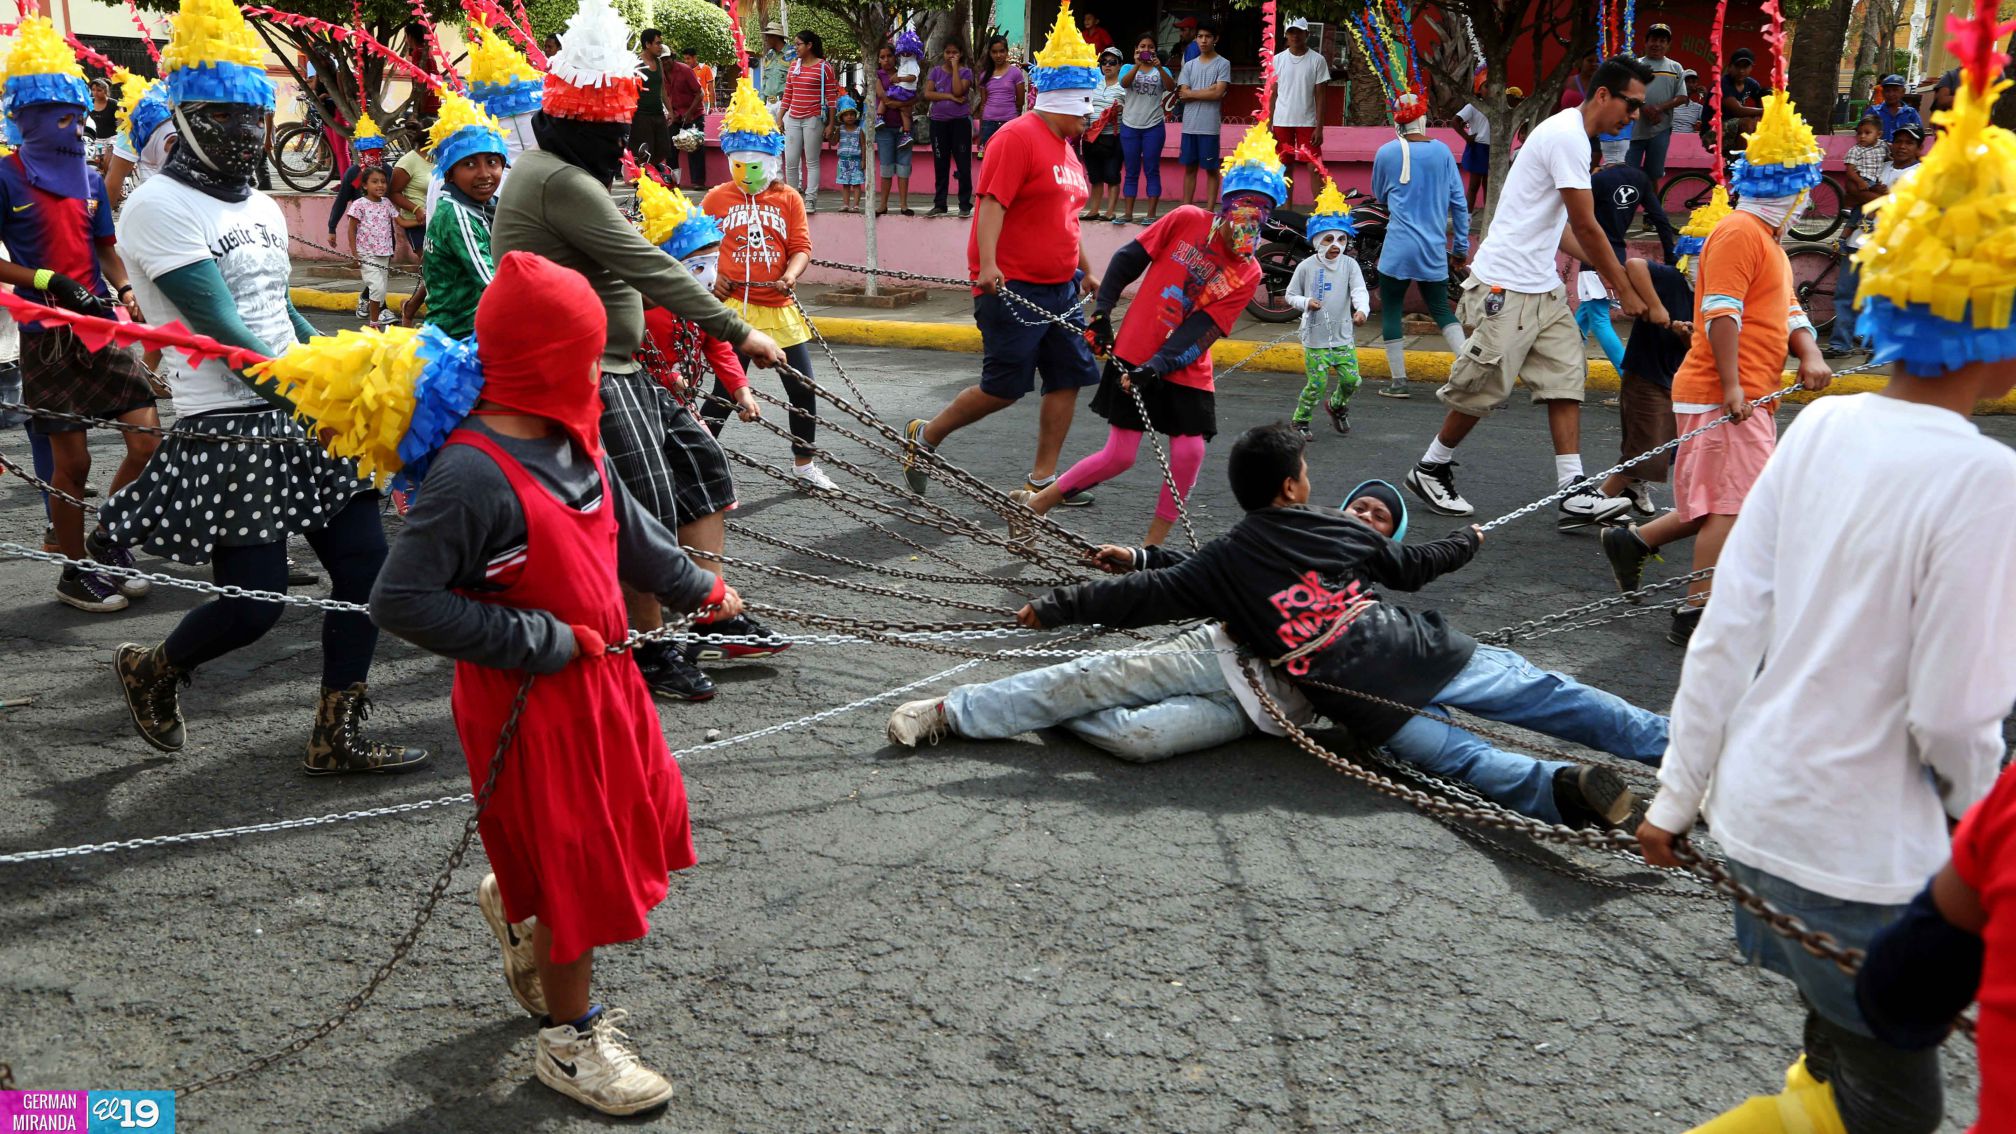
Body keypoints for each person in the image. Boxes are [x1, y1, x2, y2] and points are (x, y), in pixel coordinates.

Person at [1636, 30, 2016, 1129]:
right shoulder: (1986, 482)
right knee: (1897, 1112)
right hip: (1861, 872)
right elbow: (1955, 722)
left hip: (1754, 829)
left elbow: (1727, 628)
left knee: (1830, 1063)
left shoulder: (1823, 428)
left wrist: (1677, 795)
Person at [368, 251, 733, 1116]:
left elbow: (627, 527)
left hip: (603, 686)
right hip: (528, 701)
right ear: (546, 360)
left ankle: (519, 901)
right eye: (587, 356)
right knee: (577, 863)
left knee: (624, 825)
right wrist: (535, 636)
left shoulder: (568, 430)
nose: (598, 375)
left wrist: (700, 587)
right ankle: (571, 1043)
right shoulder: (471, 472)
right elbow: (401, 599)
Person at [1010, 423, 1663, 827]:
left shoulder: (1230, 557)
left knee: (1468, 760)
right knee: (1551, 699)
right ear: (1293, 488)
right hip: (1425, 656)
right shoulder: (1328, 532)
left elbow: (1151, 595)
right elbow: (1411, 568)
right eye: (1306, 473)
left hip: (1366, 705)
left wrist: (1056, 607)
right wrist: (1466, 543)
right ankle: (1663, 748)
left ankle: (1564, 791)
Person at [106, 0, 425, 771]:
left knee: (365, 573)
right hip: (232, 423)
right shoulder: (153, 207)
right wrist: (326, 392)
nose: (248, 133)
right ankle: (155, 669)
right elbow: (226, 334)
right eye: (226, 115)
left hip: (303, 406)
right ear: (183, 116)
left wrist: (352, 369)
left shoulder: (255, 201)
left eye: (257, 116)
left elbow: (279, 312)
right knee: (255, 605)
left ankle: (334, 733)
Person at [492, 0, 790, 704]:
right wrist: (738, 329)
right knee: (645, 511)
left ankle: (704, 609)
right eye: (608, 130)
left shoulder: (561, 167)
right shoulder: (559, 180)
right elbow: (644, 265)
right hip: (587, 371)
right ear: (573, 126)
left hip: (622, 365)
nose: (617, 141)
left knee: (701, 472)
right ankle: (651, 648)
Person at [894, 484, 1415, 761]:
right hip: (1214, 656)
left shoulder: (1376, 615)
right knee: (1097, 681)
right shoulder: (1291, 549)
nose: (1364, 518)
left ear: (1391, 541)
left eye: (1379, 517)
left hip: (1261, 714)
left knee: (1138, 740)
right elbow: (1210, 572)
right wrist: (1141, 558)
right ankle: (950, 711)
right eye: (1359, 507)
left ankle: (1064, 695)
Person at [1598, 91, 1833, 645]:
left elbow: (1788, 310)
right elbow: (1720, 313)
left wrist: (1811, 352)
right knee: (1733, 503)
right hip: (1723, 392)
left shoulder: (1769, 244)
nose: (1804, 199)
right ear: (1782, 186)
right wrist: (1730, 386)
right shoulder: (1738, 233)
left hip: (1748, 392)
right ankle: (1696, 612)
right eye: (1800, 187)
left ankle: (1636, 542)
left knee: (1728, 496)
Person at [1402, 55, 1651, 529]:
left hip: (1541, 286)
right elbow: (1587, 225)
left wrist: (1605, 276)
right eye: (1632, 103)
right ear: (1604, 94)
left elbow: (1561, 231)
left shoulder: (1574, 137)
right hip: (1506, 285)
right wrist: (1624, 288)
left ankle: (1573, 489)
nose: (1635, 115)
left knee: (1565, 377)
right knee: (1482, 389)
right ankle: (1430, 466)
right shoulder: (1567, 138)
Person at [1011, 123, 1280, 545]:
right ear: (1227, 206)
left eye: (1261, 214)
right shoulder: (1186, 219)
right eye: (1244, 210)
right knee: (1120, 456)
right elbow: (1126, 261)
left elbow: (1201, 329)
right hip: (1134, 352)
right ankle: (1035, 506)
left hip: (1183, 362)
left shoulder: (1248, 272)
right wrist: (1101, 315)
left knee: (1190, 453)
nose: (1249, 223)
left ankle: (1150, 550)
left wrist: (1159, 366)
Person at [902, 6, 1101, 503]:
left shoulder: (1068, 149)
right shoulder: (1017, 137)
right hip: (1012, 286)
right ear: (1065, 101)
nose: (1091, 114)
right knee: (1004, 387)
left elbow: (1066, 218)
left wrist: (1087, 269)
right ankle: (926, 435)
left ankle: (1042, 480)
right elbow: (991, 205)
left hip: (1061, 289)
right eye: (1086, 106)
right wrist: (987, 266)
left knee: (1068, 378)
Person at [0, 18, 160, 613]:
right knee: (74, 462)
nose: (71, 126)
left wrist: (123, 288)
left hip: (103, 328)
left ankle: (105, 540)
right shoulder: (5, 176)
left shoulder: (92, 177)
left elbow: (104, 247)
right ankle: (73, 573)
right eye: (58, 116)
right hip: (46, 337)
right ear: (28, 119)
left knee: (146, 439)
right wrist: (49, 282)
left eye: (76, 116)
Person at [700, 84, 833, 490]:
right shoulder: (715, 199)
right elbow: (696, 250)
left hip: (778, 307)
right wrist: (710, 276)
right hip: (732, 312)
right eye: (739, 165)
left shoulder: (788, 198)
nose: (746, 174)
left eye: (754, 165)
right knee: (724, 393)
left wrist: (792, 275)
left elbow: (801, 247)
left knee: (802, 389)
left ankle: (804, 465)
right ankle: (698, 468)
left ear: (771, 162)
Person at [1370, 85, 1469, 400]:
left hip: (1397, 247)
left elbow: (1380, 194)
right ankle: (1473, 375)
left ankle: (1399, 382)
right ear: (1424, 119)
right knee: (1441, 309)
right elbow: (1459, 203)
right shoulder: (1442, 151)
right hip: (1433, 247)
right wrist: (1462, 247)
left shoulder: (1386, 152)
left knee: (1392, 309)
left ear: (1397, 121)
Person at [1589, 257, 1692, 520]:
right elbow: (1634, 264)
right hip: (1646, 373)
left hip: (1677, 378)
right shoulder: (1671, 278)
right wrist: (1655, 305)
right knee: (1646, 449)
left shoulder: (1713, 295)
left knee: (1671, 444)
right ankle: (1596, 502)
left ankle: (1632, 486)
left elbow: (1700, 345)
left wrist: (1686, 335)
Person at [1576, 151, 1678, 374]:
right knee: (1586, 313)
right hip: (1617, 254)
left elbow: (1580, 219)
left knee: (1600, 319)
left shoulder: (1597, 181)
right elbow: (1659, 218)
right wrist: (1671, 256)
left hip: (1594, 253)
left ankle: (1628, 373)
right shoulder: (1639, 178)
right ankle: (1567, 367)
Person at [420, 92, 509, 340]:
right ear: (450, 173)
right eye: (469, 164)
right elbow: (492, 283)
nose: (484, 174)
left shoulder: (490, 204)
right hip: (459, 339)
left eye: (492, 161)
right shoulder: (456, 214)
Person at [1284, 179, 1368, 435]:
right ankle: (1301, 419)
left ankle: (1337, 406)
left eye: (1341, 240)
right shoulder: (1306, 266)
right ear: (1317, 240)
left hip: (1343, 337)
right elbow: (1290, 295)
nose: (1335, 246)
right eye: (1329, 239)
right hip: (1315, 338)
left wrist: (1361, 309)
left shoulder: (1349, 265)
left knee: (1352, 380)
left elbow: (1359, 289)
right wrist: (1306, 303)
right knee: (1317, 384)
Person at [1827, 117, 1910, 358]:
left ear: (1917, 148)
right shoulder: (1877, 165)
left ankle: (1876, 347)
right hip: (1857, 242)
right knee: (1845, 296)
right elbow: (1849, 198)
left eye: (1909, 143)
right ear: (1890, 144)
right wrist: (1876, 196)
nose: (1902, 146)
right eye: (1899, 141)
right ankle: (1840, 345)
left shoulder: (1920, 173)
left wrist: (1870, 196)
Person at [1270, 17, 1331, 207]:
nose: (1295, 36)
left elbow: (1321, 96)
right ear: (1286, 35)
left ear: (1307, 34)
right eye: (1291, 32)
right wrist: (1268, 123)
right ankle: (1286, 213)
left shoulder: (1317, 60)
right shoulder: (1277, 60)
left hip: (1308, 122)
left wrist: (1319, 127)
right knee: (1284, 167)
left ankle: (1319, 212)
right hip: (1281, 121)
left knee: (1314, 168)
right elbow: (1272, 94)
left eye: (1299, 32)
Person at [1115, 31, 1172, 226]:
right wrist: (1138, 64)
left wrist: (1160, 68)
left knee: (1152, 170)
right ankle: (1128, 213)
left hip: (1153, 127)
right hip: (1130, 126)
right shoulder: (1127, 68)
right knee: (1131, 171)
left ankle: (1151, 214)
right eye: (1142, 47)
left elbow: (1171, 87)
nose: (1146, 50)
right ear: (1136, 50)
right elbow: (1124, 83)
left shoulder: (1162, 70)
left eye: (1150, 47)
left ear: (1156, 51)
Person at [778, 29, 835, 211]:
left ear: (809, 45)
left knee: (812, 161)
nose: (795, 48)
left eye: (798, 44)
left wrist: (831, 124)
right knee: (791, 161)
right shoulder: (795, 65)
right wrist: (780, 117)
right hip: (793, 118)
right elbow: (788, 94)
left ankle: (810, 199)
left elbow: (832, 97)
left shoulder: (824, 67)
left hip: (813, 119)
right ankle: (793, 199)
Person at [1174, 23, 1229, 208]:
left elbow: (1218, 94)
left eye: (1207, 36)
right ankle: (1186, 207)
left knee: (1211, 169)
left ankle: (1210, 209)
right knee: (1190, 168)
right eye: (1200, 36)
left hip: (1209, 127)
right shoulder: (1189, 66)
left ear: (1216, 39)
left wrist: (1193, 93)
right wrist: (1209, 90)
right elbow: (1183, 95)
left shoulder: (1223, 63)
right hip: (1189, 125)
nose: (1203, 40)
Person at [1628, 23, 1688, 177]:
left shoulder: (1675, 68)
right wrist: (1644, 106)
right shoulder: (1634, 65)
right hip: (1633, 129)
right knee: (1628, 173)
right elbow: (1625, 93)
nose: (1657, 44)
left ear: (1668, 45)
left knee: (1654, 174)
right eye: (1654, 39)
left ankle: (1654, 202)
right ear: (1646, 41)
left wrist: (1659, 108)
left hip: (1661, 129)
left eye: (1662, 41)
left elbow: (1682, 97)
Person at [106, 75, 173, 211]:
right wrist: (101, 229)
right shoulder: (143, 111)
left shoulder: (215, 104)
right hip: (157, 213)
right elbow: (115, 178)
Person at [923, 39, 974, 218]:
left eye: (955, 53)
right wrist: (950, 97)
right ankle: (940, 204)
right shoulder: (935, 72)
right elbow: (928, 93)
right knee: (940, 163)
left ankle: (965, 204)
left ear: (960, 55)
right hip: (938, 123)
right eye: (948, 52)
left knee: (963, 164)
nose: (951, 56)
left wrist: (954, 69)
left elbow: (959, 90)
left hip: (960, 122)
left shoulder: (966, 72)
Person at [344, 167, 400, 327]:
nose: (380, 185)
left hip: (385, 253)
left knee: (380, 291)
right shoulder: (359, 204)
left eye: (383, 182)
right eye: (375, 182)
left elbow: (400, 221)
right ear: (364, 185)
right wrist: (354, 254)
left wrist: (422, 218)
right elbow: (351, 229)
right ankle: (374, 323)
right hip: (367, 253)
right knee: (377, 289)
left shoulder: (387, 203)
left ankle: (371, 311)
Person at [1081, 47, 1125, 221]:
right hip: (1091, 136)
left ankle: (1110, 211)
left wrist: (1121, 109)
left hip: (1113, 136)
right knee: (1095, 175)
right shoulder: (1094, 85)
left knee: (1112, 174)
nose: (1107, 65)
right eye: (1104, 62)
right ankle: (1094, 209)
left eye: (1112, 62)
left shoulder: (1124, 88)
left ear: (1120, 65)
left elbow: (1130, 110)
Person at [872, 42, 915, 215]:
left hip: (903, 129)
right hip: (884, 129)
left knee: (904, 167)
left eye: (889, 56)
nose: (886, 60)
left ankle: (904, 205)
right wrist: (900, 104)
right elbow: (883, 97)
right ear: (878, 59)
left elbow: (915, 96)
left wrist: (902, 103)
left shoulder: (904, 73)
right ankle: (883, 204)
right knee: (886, 167)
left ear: (895, 57)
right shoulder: (877, 75)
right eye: (882, 57)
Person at [661, 42, 706, 189]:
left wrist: (689, 112)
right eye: (662, 59)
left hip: (694, 114)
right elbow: (664, 95)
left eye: (667, 58)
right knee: (670, 148)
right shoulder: (660, 73)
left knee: (694, 147)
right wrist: (671, 112)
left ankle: (698, 182)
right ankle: (673, 180)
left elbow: (700, 93)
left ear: (672, 58)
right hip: (676, 115)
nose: (665, 62)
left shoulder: (685, 70)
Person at [630, 29, 673, 175]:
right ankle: (642, 185)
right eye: (658, 43)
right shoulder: (636, 63)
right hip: (641, 116)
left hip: (658, 114)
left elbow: (662, 90)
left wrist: (670, 111)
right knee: (643, 153)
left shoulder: (659, 62)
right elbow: (629, 90)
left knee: (661, 150)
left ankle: (654, 181)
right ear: (647, 44)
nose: (660, 46)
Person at [973, 34, 1026, 154]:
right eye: (994, 52)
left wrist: (1013, 118)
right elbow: (983, 104)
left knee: (1010, 156)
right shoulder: (984, 75)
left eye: (1002, 51)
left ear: (1007, 52)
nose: (998, 55)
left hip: (1009, 122)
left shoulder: (1015, 73)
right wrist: (981, 131)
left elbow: (1020, 101)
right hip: (988, 123)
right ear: (990, 53)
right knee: (990, 158)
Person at [390, 127, 434, 266]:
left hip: (437, 220)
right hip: (418, 223)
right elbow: (393, 193)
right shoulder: (408, 162)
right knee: (430, 265)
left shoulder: (438, 158)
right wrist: (416, 209)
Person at [1716, 48, 1764, 153]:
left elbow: (1763, 104)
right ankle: (1739, 162)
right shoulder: (1723, 83)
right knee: (1747, 122)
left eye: (1745, 67)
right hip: (1713, 132)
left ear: (1751, 68)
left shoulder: (1752, 84)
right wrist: (1763, 111)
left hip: (1734, 129)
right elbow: (1738, 110)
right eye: (1738, 66)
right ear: (1730, 67)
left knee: (1760, 124)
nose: (1741, 71)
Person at [1454, 92, 1491, 210]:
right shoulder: (1473, 106)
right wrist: (1466, 137)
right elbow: (1455, 121)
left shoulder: (1497, 107)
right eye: (1486, 86)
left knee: (1489, 186)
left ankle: (1488, 217)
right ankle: (1467, 219)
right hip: (1478, 147)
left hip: (1493, 148)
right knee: (1474, 185)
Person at [832, 95, 865, 212]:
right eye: (846, 115)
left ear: (855, 115)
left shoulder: (859, 130)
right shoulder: (840, 130)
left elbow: (863, 145)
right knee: (845, 184)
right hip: (843, 161)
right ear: (841, 117)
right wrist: (832, 132)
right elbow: (834, 142)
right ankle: (845, 204)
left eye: (852, 114)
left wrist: (863, 160)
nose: (849, 117)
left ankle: (856, 205)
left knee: (856, 184)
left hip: (856, 161)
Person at [1873, 72, 1923, 141]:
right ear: (1883, 93)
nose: (1891, 94)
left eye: (1895, 90)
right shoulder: (1874, 111)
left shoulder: (1911, 113)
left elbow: (1919, 135)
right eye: (1887, 91)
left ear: (1903, 92)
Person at [757, 20, 789, 119]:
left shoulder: (792, 54)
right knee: (768, 134)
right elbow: (765, 80)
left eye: (768, 36)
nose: (766, 39)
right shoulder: (769, 55)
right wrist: (761, 102)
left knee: (785, 134)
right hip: (768, 105)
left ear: (775, 37)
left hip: (785, 104)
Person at [1669, 68, 1705, 137]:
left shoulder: (1698, 107)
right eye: (1687, 82)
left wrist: (1706, 97)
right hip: (1670, 143)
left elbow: (1712, 120)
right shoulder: (1670, 103)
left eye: (1693, 82)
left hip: (1689, 144)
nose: (1690, 85)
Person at [685, 48, 714, 113]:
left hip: (703, 102)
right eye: (685, 59)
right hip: (688, 102)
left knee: (701, 122)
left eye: (688, 58)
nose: (686, 61)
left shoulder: (705, 68)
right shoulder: (685, 70)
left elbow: (711, 89)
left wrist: (713, 106)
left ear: (695, 57)